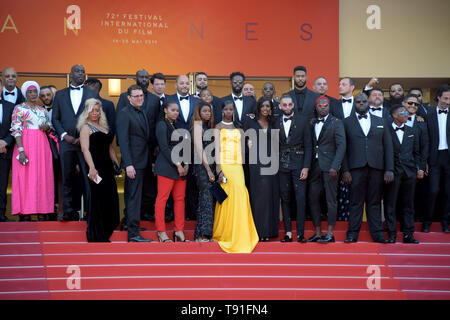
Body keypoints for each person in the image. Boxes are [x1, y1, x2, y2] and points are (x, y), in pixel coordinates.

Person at [342, 93, 394, 243]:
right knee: (355, 202)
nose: (361, 104)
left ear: (369, 103)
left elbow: (388, 147)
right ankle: (352, 233)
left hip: (377, 168)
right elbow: (343, 148)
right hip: (355, 168)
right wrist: (345, 170)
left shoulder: (381, 121)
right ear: (354, 104)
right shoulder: (346, 122)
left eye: (364, 101)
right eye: (358, 102)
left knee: (375, 202)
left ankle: (377, 234)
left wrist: (389, 169)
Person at [52, 64, 99, 221]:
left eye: (83, 72)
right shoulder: (59, 95)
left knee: (89, 177)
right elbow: (55, 119)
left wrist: (86, 136)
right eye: (77, 71)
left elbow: (97, 117)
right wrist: (65, 136)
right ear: (70, 74)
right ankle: (68, 212)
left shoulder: (92, 93)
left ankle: (90, 212)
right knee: (67, 177)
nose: (80, 74)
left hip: (87, 143)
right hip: (67, 143)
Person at [212, 100, 259, 253]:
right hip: (225, 165)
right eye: (225, 109)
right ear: (221, 111)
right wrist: (219, 169)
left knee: (240, 193)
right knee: (227, 197)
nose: (228, 112)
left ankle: (241, 232)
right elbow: (217, 150)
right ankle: (225, 233)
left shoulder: (239, 127)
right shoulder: (217, 127)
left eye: (231, 109)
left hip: (238, 166)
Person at [116, 69, 160, 227]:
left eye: (141, 96)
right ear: (129, 98)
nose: (139, 98)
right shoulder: (124, 111)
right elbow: (123, 137)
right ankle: (131, 227)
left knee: (141, 193)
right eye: (136, 96)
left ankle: (133, 223)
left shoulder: (148, 107)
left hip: (146, 158)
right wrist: (127, 163)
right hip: (133, 160)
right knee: (133, 194)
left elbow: (151, 132)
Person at [10, 81, 54, 221]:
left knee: (42, 177)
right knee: (25, 178)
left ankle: (42, 210)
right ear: (25, 93)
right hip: (25, 145)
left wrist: (46, 128)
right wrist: (21, 150)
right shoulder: (19, 108)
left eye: (35, 91)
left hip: (42, 147)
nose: (33, 94)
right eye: (30, 92)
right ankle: (25, 213)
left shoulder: (42, 110)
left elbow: (49, 128)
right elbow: (16, 129)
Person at [78, 98, 120, 242]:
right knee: (98, 200)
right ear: (87, 112)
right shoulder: (85, 128)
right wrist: (91, 168)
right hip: (96, 167)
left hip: (107, 167)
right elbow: (85, 149)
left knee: (111, 197)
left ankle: (107, 227)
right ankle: (97, 234)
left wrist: (116, 163)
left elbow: (110, 148)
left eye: (97, 110)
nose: (95, 113)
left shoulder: (104, 127)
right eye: (92, 111)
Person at [308, 96, 346, 243]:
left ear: (329, 106)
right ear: (316, 107)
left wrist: (335, 166)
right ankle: (317, 232)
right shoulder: (311, 122)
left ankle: (330, 233)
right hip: (314, 166)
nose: (323, 107)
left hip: (330, 167)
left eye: (325, 105)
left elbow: (341, 146)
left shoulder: (337, 123)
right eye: (320, 105)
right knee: (313, 199)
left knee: (331, 200)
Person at [275, 94, 312, 242]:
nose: (288, 107)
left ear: (293, 105)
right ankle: (288, 233)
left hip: (299, 163)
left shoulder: (303, 121)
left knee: (300, 197)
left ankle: (301, 234)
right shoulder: (275, 121)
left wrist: (306, 167)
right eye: (284, 105)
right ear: (279, 106)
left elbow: (309, 145)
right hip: (281, 164)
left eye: (290, 105)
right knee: (285, 198)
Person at [383, 104, 422, 244]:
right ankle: (392, 234)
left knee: (408, 204)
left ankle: (408, 234)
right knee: (390, 203)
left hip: (409, 173)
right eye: (403, 112)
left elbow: (417, 153)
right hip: (392, 172)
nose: (406, 114)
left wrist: (419, 168)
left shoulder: (412, 130)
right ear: (394, 115)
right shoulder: (386, 131)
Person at [244, 97, 280, 242]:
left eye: (268, 106)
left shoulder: (273, 122)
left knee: (271, 195)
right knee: (259, 196)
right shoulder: (250, 122)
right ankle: (259, 231)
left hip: (272, 162)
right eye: (263, 106)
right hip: (256, 162)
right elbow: (244, 141)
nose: (265, 109)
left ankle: (270, 231)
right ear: (258, 107)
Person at [154, 101, 189, 242]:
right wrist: (178, 165)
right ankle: (161, 232)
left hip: (179, 168)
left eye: (177, 110)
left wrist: (186, 164)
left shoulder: (175, 126)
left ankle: (179, 231)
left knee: (180, 200)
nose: (176, 112)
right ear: (165, 110)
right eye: (173, 110)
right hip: (167, 167)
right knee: (162, 199)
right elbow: (164, 148)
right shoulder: (162, 125)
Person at [423, 85, 450, 233]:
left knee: (448, 192)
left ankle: (445, 222)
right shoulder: (429, 114)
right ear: (438, 97)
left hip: (448, 157)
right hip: (434, 157)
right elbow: (425, 139)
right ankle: (427, 222)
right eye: (445, 98)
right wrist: (424, 161)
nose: (448, 102)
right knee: (433, 191)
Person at [191, 101, 216, 242]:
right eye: (204, 111)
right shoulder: (198, 126)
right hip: (202, 166)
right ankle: (203, 234)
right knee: (206, 197)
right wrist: (208, 171)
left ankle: (204, 233)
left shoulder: (208, 126)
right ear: (199, 113)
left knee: (207, 198)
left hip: (210, 166)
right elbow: (200, 151)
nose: (207, 113)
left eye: (209, 111)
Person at [403, 94, 429, 223]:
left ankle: (410, 225)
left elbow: (425, 148)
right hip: (397, 167)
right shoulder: (393, 120)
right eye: (410, 103)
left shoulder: (422, 124)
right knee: (395, 198)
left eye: (416, 104)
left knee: (411, 197)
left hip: (414, 166)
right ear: (403, 104)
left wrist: (421, 167)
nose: (413, 106)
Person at [0, 79, 15, 222]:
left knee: (2, 185)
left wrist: (5, 142)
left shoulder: (11, 106)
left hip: (4, 151)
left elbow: (14, 128)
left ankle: (1, 215)